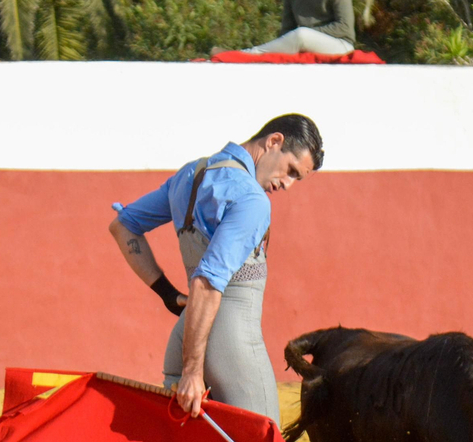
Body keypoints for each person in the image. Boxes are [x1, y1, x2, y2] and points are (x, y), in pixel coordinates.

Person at [108, 114, 324, 420]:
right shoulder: (251, 198)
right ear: (274, 141)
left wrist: (167, 293)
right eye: (290, 171)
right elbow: (206, 283)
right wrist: (192, 372)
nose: (287, 185)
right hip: (230, 349)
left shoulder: (190, 174)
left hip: (186, 336)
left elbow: (123, 226)